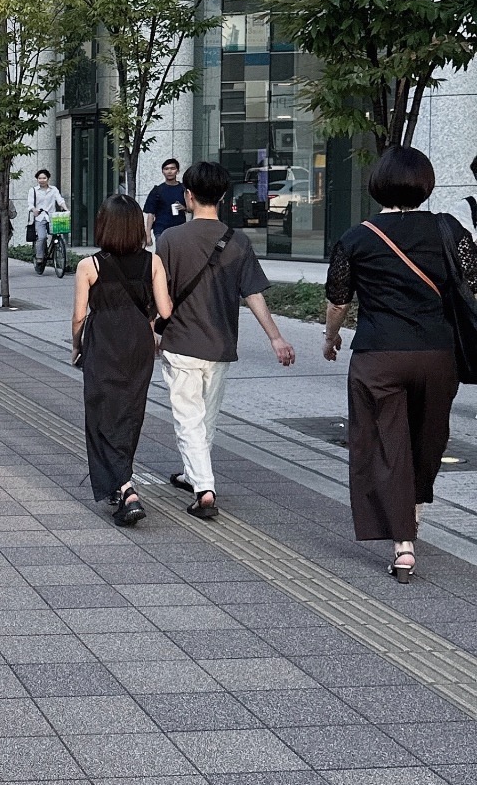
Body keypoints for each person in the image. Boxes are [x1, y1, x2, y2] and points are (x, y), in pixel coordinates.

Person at [324, 145, 477, 582]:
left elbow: (338, 300)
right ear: (426, 185)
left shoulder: (356, 237)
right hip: (436, 356)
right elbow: (473, 283)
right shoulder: (449, 229)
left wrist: (331, 337)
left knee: (384, 444)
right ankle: (413, 514)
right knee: (429, 441)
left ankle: (403, 545)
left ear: (377, 184)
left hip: (378, 356)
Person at [155, 160, 296, 518]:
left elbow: (158, 293)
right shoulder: (238, 241)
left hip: (181, 343)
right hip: (220, 345)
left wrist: (150, 331)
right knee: (206, 416)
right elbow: (253, 294)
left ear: (188, 195)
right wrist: (276, 338)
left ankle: (204, 488)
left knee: (188, 417)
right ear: (222, 196)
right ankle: (192, 474)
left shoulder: (170, 239)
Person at [72, 194, 173, 524]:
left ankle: (127, 490)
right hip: (139, 341)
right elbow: (166, 310)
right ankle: (120, 482)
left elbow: (79, 316)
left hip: (103, 339)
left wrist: (76, 346)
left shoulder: (89, 265)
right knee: (130, 412)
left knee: (101, 414)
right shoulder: (152, 262)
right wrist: (149, 318)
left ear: (103, 225)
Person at [27, 170, 68, 270]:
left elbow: (60, 200)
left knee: (59, 235)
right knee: (42, 237)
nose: (42, 180)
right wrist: (34, 210)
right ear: (37, 179)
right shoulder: (33, 190)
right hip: (40, 217)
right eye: (40, 178)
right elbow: (30, 204)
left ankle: (59, 255)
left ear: (48, 179)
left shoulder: (53, 189)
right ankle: (39, 257)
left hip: (52, 217)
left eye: (44, 178)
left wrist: (65, 208)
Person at [143, 158, 189, 243]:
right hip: (161, 230)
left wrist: (184, 208)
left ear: (177, 171)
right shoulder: (157, 190)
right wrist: (148, 234)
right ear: (162, 172)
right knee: (162, 251)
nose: (169, 171)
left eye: (172, 168)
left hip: (180, 229)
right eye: (166, 169)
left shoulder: (184, 189)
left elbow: (193, 208)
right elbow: (151, 213)